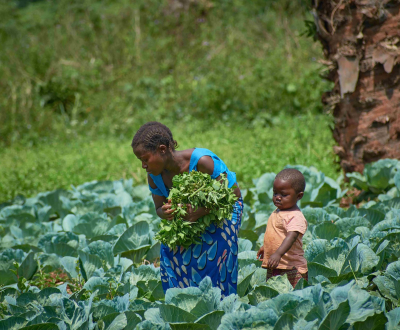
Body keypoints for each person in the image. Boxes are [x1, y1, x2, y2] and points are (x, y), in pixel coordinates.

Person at [131, 122, 243, 297]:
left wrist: (202, 211)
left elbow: (233, 193)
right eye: (141, 161)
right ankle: (185, 302)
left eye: (145, 159)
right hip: (189, 217)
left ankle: (219, 299)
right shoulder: (154, 177)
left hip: (225, 210)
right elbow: (158, 208)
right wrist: (165, 212)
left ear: (162, 149)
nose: (144, 166)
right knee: (169, 251)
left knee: (214, 250)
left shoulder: (202, 161)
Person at [256, 168, 308, 287]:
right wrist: (267, 247)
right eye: (275, 193)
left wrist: (278, 254)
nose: (278, 197)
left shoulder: (295, 216)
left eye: (284, 195)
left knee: (293, 296)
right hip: (275, 263)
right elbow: (277, 234)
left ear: (299, 196)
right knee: (273, 294)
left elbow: (291, 237)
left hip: (291, 268)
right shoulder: (278, 211)